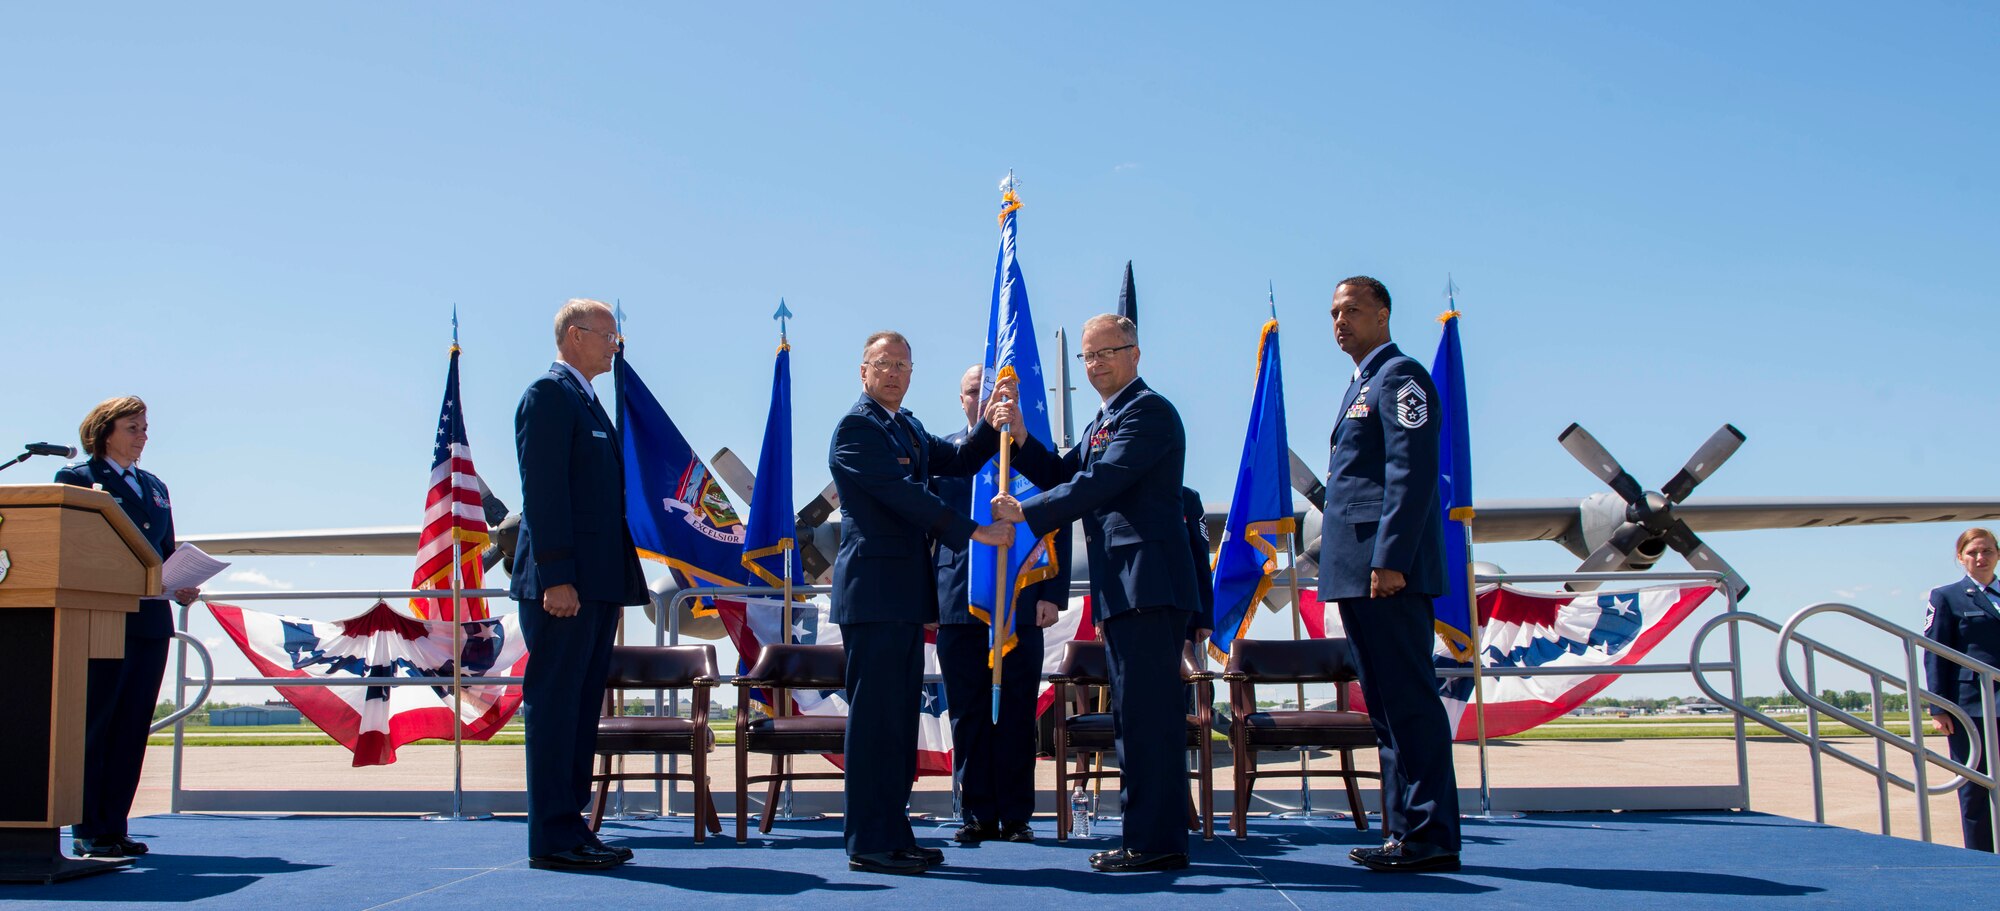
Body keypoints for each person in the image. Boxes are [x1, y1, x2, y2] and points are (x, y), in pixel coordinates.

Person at [989, 313, 1201, 873]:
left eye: (1108, 351)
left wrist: (1024, 513)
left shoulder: (1148, 412)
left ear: (1135, 353)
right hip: (1125, 586)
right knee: (1135, 716)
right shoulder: (1105, 421)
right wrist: (1021, 439)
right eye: (1088, 356)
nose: (1096, 363)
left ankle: (1154, 842)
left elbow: (1098, 484)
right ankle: (1151, 834)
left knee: (1148, 717)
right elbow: (1067, 473)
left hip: (1148, 584)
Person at [828, 332, 1013, 875]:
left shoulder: (904, 425)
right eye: (884, 364)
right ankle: (868, 840)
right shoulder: (858, 428)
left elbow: (955, 459)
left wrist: (993, 419)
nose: (894, 373)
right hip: (874, 594)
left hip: (906, 596)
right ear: (863, 371)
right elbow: (904, 496)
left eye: (903, 365)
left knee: (896, 722)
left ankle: (894, 831)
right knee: (874, 722)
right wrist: (974, 531)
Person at [1320, 275, 1461, 873]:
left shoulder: (1401, 377)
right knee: (1385, 707)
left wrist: (1390, 559)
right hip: (1359, 571)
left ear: (1383, 314)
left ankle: (1431, 834)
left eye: (1352, 309)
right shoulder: (1363, 383)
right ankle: (1405, 832)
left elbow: (1411, 473)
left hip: (1385, 571)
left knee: (1409, 701)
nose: (1340, 321)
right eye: (1333, 312)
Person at [510, 298, 648, 872]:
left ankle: (573, 823)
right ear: (574, 335)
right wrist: (558, 577)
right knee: (557, 706)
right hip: (563, 588)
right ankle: (552, 835)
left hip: (595, 585)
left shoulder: (589, 403)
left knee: (582, 709)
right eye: (608, 335)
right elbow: (544, 495)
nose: (617, 345)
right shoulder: (548, 396)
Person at [53, 397, 200, 859]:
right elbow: (72, 547)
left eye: (145, 427)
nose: (143, 435)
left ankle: (114, 825)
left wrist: (182, 583)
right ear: (104, 431)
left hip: (151, 622)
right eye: (133, 427)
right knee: (97, 723)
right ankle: (88, 828)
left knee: (132, 728)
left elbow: (165, 549)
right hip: (103, 619)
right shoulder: (77, 480)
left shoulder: (156, 487)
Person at [931, 365, 1070, 845]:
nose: (984, 400)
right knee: (967, 712)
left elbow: (1059, 519)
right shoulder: (944, 456)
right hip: (958, 602)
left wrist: (1053, 594)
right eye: (974, 392)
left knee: (1015, 711)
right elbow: (927, 527)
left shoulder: (1032, 455)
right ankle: (975, 813)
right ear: (962, 399)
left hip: (1023, 600)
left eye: (993, 392)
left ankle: (1015, 815)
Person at [1924, 527, 2000, 852]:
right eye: (1973, 552)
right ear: (1960, 557)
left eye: (1987, 551)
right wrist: (1939, 707)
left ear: (1997, 554)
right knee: (1974, 787)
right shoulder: (1947, 597)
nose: (1980, 558)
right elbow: (1935, 651)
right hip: (1970, 708)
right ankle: (1981, 859)